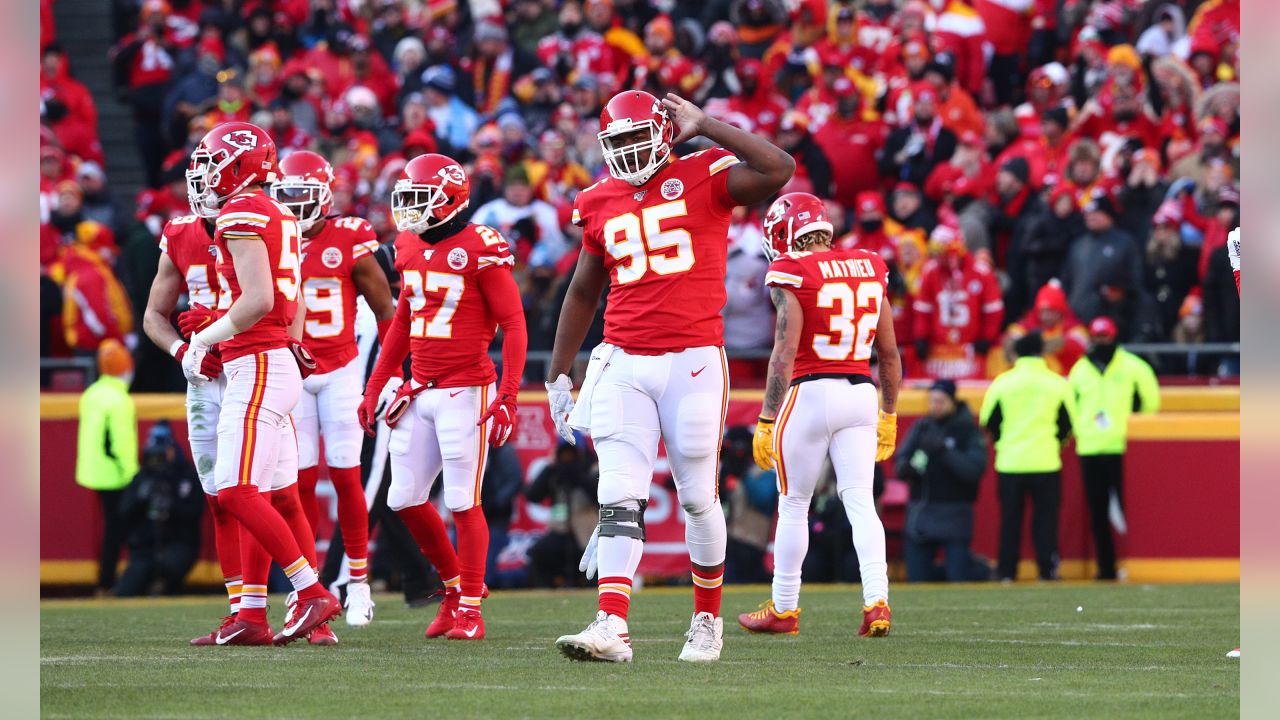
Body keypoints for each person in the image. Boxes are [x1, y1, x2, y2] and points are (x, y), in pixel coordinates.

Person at [546, 89, 794, 663]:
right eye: (619, 143)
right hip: (623, 359)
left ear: (664, 132)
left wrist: (708, 125)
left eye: (639, 137)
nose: (629, 152)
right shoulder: (598, 199)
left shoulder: (705, 172)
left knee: (698, 499)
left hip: (693, 360)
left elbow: (779, 167)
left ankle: (707, 621)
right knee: (618, 492)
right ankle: (612, 624)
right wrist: (559, 373)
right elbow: (583, 289)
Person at [358, 153, 528, 642]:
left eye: (417, 198)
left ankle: (470, 607)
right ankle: (455, 587)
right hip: (420, 387)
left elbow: (515, 324)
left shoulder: (480, 245)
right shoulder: (408, 244)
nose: (407, 209)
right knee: (403, 499)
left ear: (449, 199)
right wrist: (377, 385)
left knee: (461, 500)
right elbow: (404, 323)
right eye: (404, 198)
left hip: (466, 389)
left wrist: (509, 395)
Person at [180, 121, 339, 645]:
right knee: (267, 492)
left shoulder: (242, 209)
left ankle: (310, 590)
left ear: (241, 163)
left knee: (236, 491)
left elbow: (257, 301)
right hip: (274, 362)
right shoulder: (274, 211)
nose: (205, 174)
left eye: (213, 162)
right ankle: (251, 615)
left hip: (258, 363)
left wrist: (205, 338)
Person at [736, 191, 901, 637]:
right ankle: (877, 603)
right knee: (861, 501)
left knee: (793, 504)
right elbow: (888, 353)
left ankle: (785, 608)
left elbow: (783, 353)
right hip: (861, 394)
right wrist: (889, 412)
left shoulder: (792, 268)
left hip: (810, 394)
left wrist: (768, 418)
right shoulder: (870, 264)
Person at [269, 150, 395, 627]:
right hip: (293, 374)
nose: (296, 204)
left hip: (341, 370)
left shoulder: (350, 236)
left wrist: (392, 371)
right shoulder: (269, 236)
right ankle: (309, 588)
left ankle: (358, 582)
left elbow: (386, 310)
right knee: (297, 486)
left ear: (326, 195)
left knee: (346, 478)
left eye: (304, 193)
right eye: (287, 194)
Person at [979, 331, 1076, 581]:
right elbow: (1068, 423)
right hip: (1046, 461)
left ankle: (1006, 572)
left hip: (1010, 462)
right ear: (1041, 352)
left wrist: (1004, 443)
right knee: (1046, 521)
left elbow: (989, 421)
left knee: (1010, 521)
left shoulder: (1003, 382)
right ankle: (1047, 571)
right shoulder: (1058, 383)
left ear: (1018, 353)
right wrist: (1055, 444)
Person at [1068, 316, 1160, 580]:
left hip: (1123, 447)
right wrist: (1082, 429)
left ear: (1114, 336)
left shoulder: (1133, 367)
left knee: (1132, 509)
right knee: (1097, 514)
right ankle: (1106, 567)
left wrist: (1134, 428)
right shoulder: (1081, 369)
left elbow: (1150, 401)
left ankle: (1136, 562)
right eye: (1096, 337)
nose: (1101, 342)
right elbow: (1070, 403)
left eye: (1105, 337)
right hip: (1090, 447)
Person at [896, 379, 989, 583]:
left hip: (955, 513)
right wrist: (907, 467)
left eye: (941, 401)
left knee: (958, 578)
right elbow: (900, 463)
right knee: (918, 580)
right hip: (922, 513)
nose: (935, 406)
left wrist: (945, 451)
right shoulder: (922, 427)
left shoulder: (968, 430)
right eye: (932, 401)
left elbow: (973, 470)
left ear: (953, 402)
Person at [75, 338, 139, 595]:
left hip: (94, 471)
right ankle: (114, 581)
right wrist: (132, 474)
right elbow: (120, 442)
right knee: (121, 530)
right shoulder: (119, 399)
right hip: (115, 476)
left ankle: (108, 581)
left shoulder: (92, 393)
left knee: (112, 528)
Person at [114, 422, 205, 596]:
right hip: (145, 548)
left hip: (177, 543)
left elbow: (196, 512)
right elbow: (124, 512)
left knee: (169, 569)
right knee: (126, 591)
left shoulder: (186, 475)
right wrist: (142, 498)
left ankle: (166, 587)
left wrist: (171, 505)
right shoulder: (142, 477)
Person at [526, 443, 599, 588]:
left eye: (570, 453)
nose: (567, 458)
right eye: (563, 454)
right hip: (559, 529)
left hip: (587, 531)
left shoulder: (593, 468)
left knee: (593, 564)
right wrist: (549, 471)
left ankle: (595, 591)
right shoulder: (554, 470)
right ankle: (543, 591)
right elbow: (533, 495)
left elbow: (598, 496)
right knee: (538, 553)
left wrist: (579, 476)